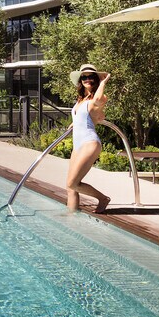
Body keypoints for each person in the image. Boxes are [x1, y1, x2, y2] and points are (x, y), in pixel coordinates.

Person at [66, 63, 111, 213]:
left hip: (89, 142)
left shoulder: (100, 97)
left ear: (96, 79)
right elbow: (84, 116)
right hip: (77, 144)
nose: (87, 79)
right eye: (84, 77)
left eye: (91, 76)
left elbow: (97, 99)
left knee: (73, 183)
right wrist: (74, 123)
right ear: (80, 80)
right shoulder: (81, 99)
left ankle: (103, 198)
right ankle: (71, 218)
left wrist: (103, 82)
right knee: (70, 188)